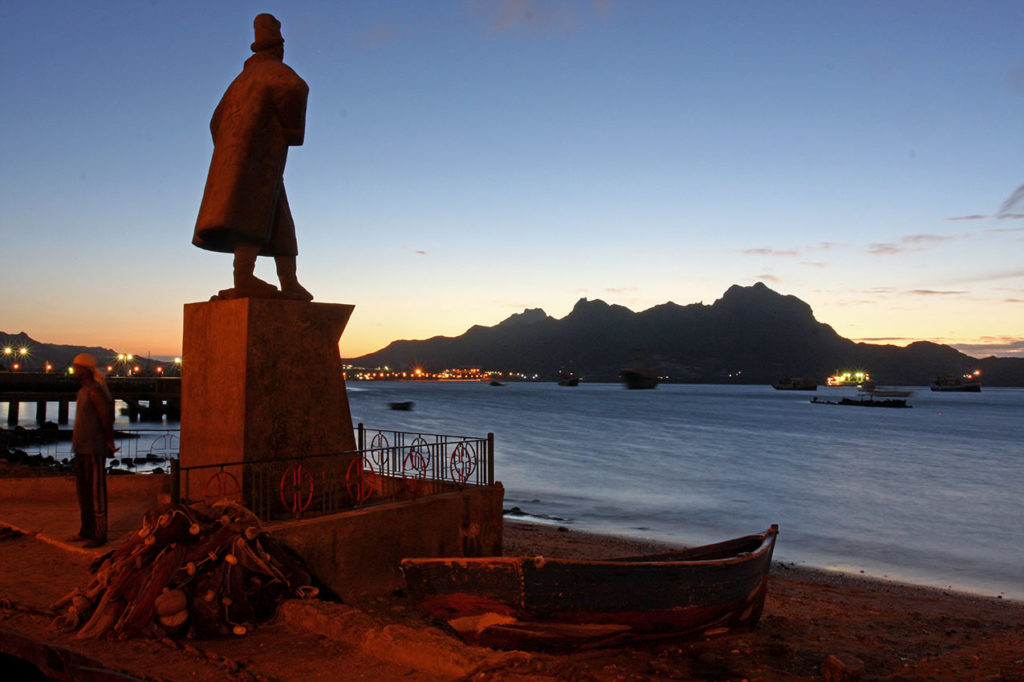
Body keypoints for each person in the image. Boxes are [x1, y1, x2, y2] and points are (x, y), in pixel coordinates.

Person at [193, 13, 313, 301]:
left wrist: (230, 149)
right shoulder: (271, 70)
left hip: (248, 165)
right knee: (251, 216)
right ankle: (245, 278)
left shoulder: (241, 81)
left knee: (276, 219)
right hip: (258, 164)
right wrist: (290, 130)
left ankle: (288, 281)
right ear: (276, 49)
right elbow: (297, 87)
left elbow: (215, 122)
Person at [71, 353, 115, 547]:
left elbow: (105, 419)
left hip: (94, 448)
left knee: (96, 493)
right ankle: (86, 530)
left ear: (85, 369)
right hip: (80, 448)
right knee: (84, 492)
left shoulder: (95, 392)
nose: (74, 370)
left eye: (76, 367)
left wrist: (109, 442)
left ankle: (99, 534)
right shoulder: (82, 391)